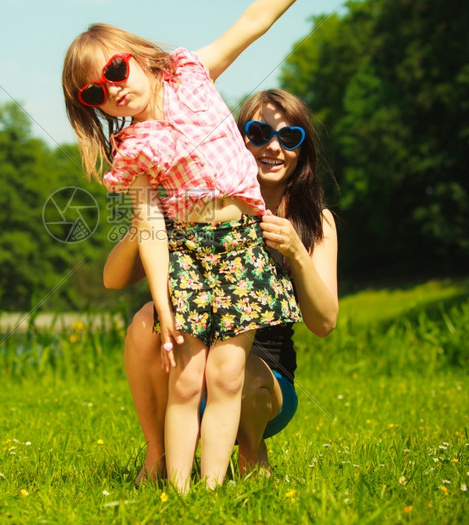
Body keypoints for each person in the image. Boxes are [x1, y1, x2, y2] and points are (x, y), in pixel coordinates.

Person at [63, 0, 348, 493]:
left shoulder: (192, 74)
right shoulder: (132, 148)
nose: (112, 90)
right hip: (190, 251)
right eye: (94, 93)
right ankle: (178, 488)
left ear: (139, 58)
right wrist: (165, 307)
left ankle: (214, 491)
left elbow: (251, 21)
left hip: (241, 243)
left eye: (114, 71)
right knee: (187, 380)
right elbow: (147, 226)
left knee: (225, 374)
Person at [105, 88, 339, 484]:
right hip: (190, 371)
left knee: (234, 368)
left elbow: (325, 322)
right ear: (236, 138)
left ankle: (251, 452)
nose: (274, 147)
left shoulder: (315, 221)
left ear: (302, 150)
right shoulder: (193, 204)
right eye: (259, 132)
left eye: (290, 137)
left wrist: (297, 253)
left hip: (262, 381)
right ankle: (157, 456)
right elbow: (112, 279)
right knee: (146, 321)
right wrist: (149, 219)